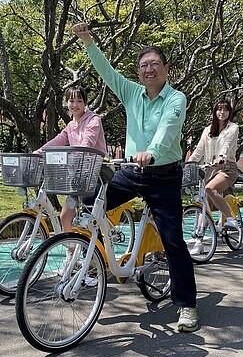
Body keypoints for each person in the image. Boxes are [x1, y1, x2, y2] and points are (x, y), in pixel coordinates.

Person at [72, 22, 199, 332]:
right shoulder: (130, 92)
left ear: (166, 69)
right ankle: (105, 249)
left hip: (164, 175)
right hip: (131, 173)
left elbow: (168, 131)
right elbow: (107, 72)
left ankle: (188, 305)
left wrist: (151, 151)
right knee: (90, 202)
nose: (148, 69)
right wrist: (88, 41)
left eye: (154, 64)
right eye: (143, 66)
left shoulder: (175, 99)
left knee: (173, 242)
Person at [35, 86, 107, 233]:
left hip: (96, 172)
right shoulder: (70, 125)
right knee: (65, 216)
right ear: (66, 103)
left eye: (79, 101)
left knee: (91, 218)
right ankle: (70, 250)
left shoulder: (94, 120)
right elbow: (58, 140)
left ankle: (96, 251)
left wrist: (75, 155)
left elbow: (88, 141)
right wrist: (40, 152)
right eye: (71, 101)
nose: (75, 105)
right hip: (78, 173)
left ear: (85, 103)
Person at [187, 100, 239, 254]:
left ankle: (231, 218)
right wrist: (189, 163)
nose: (221, 113)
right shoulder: (207, 130)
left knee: (210, 188)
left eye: (225, 110)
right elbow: (198, 151)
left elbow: (227, 144)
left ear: (229, 112)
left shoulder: (233, 128)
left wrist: (221, 157)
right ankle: (199, 241)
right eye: (218, 110)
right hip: (209, 170)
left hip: (226, 167)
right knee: (204, 204)